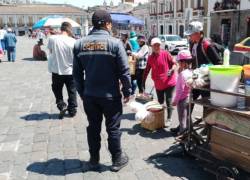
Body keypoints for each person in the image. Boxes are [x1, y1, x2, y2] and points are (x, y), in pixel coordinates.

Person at [73, 10, 131, 172]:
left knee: (93, 127)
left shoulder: (79, 44)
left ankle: (93, 160)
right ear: (107, 23)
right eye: (110, 23)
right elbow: (124, 71)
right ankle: (116, 159)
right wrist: (127, 92)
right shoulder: (115, 43)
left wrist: (82, 93)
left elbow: (76, 74)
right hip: (110, 96)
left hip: (90, 95)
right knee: (113, 128)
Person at [184, 21, 222, 119]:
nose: (189, 37)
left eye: (190, 35)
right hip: (196, 79)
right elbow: (194, 58)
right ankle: (184, 125)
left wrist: (206, 72)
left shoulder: (207, 45)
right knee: (189, 100)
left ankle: (207, 126)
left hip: (206, 81)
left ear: (198, 33)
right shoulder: (192, 44)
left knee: (207, 105)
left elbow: (219, 63)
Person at [143, 37, 177, 126]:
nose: (157, 47)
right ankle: (160, 119)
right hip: (158, 84)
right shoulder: (150, 58)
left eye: (158, 45)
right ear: (151, 46)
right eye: (154, 45)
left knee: (169, 100)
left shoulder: (166, 54)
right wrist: (143, 82)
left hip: (169, 82)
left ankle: (169, 119)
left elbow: (174, 64)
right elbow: (146, 70)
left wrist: (172, 70)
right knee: (160, 102)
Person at [47, 22, 77, 119]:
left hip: (57, 70)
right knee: (72, 91)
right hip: (70, 70)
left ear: (61, 29)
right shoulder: (73, 41)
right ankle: (72, 110)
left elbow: (51, 52)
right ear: (69, 30)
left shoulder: (52, 39)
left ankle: (61, 105)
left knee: (57, 89)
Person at [171, 50, 193, 135]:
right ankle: (190, 132)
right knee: (188, 117)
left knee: (182, 119)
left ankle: (183, 135)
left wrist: (175, 101)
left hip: (182, 100)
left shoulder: (182, 74)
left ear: (184, 62)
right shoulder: (191, 72)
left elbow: (180, 90)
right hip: (189, 98)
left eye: (179, 62)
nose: (179, 64)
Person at [129, 31, 140, 96]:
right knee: (136, 76)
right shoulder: (137, 39)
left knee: (131, 75)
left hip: (131, 57)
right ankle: (134, 91)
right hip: (138, 57)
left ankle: (131, 91)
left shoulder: (130, 40)